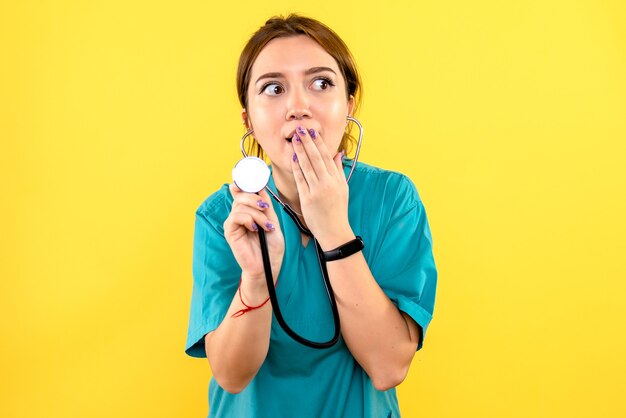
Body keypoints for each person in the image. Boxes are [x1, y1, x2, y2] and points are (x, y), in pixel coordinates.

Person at [185, 14, 437, 418]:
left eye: (321, 83)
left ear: (349, 104)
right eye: (273, 88)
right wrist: (255, 278)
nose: (298, 107)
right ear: (248, 119)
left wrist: (335, 230)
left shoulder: (393, 199)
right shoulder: (223, 217)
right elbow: (231, 376)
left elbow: (389, 366)